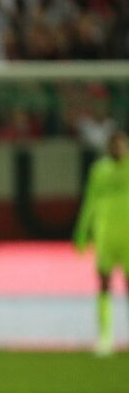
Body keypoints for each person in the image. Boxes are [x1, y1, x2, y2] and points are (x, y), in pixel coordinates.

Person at [74, 131, 129, 356]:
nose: (118, 148)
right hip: (105, 236)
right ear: (108, 147)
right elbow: (90, 200)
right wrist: (81, 232)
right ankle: (105, 337)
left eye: (122, 145)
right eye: (114, 145)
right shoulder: (99, 170)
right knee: (104, 285)